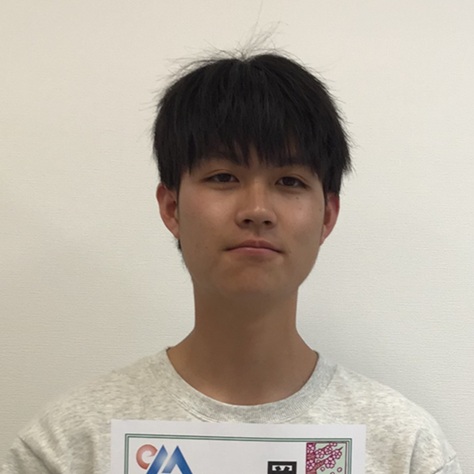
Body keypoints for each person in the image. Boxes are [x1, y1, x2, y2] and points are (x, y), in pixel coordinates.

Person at [1, 51, 462, 473]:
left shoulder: (405, 449)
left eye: (289, 181)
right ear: (172, 208)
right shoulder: (68, 447)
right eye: (224, 176)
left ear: (327, 216)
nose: (256, 209)